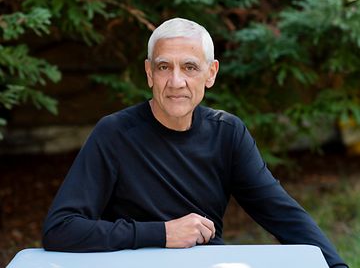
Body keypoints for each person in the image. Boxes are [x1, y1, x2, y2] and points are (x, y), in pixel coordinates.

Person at [42, 17, 348, 268]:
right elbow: (60, 229)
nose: (176, 82)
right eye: (164, 67)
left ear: (210, 73)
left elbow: (283, 214)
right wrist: (161, 233)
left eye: (189, 67)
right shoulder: (114, 134)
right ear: (150, 73)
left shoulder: (227, 133)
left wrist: (336, 267)